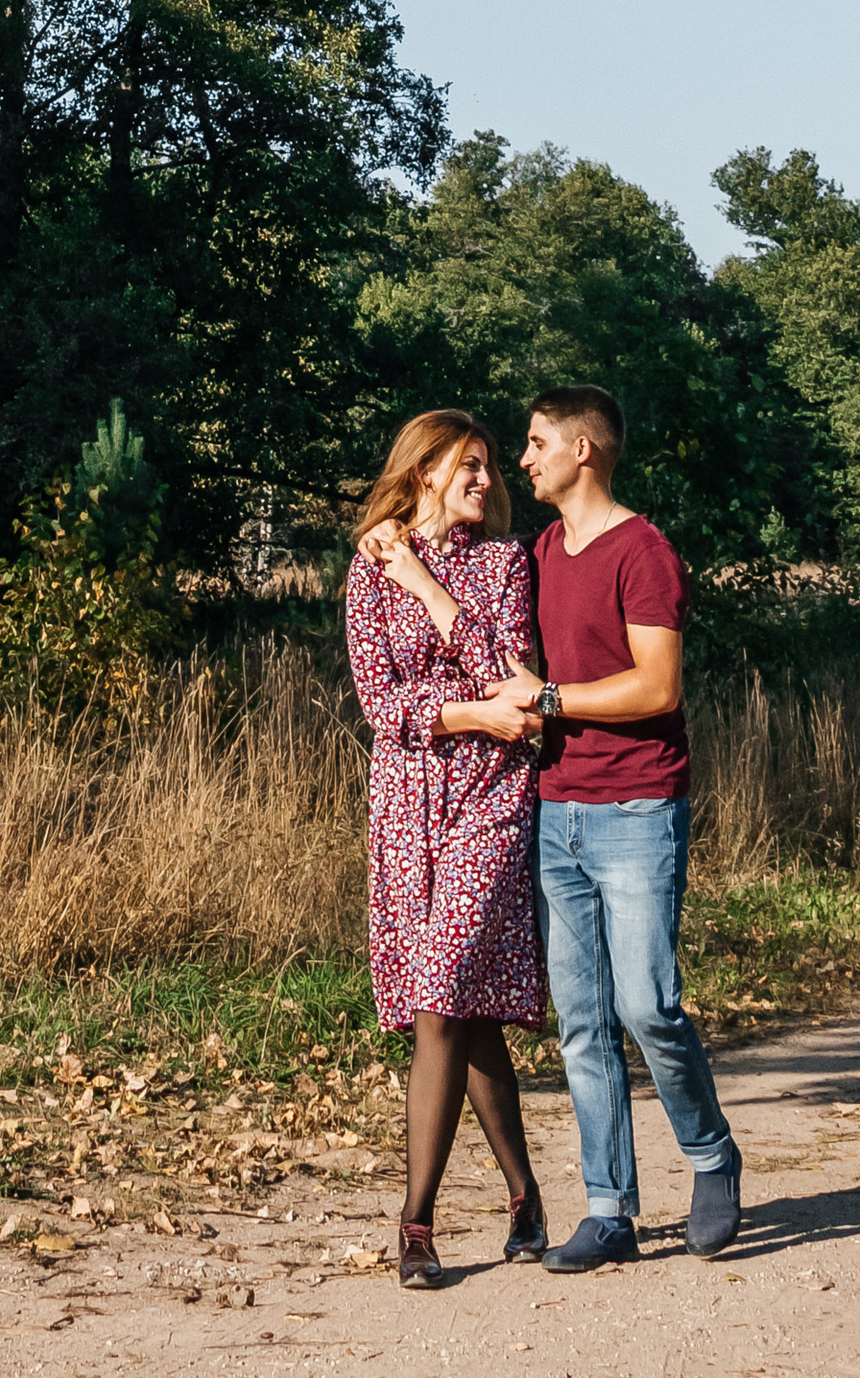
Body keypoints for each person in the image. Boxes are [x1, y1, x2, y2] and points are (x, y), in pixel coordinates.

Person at [469, 385, 739, 1269]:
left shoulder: (643, 552)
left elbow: (657, 687)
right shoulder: (543, 550)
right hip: (557, 812)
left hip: (636, 809)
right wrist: (397, 555)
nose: (524, 459)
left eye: (537, 442)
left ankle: (711, 1157)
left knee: (647, 1007)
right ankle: (609, 1210)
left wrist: (549, 698)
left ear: (583, 449)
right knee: (582, 1021)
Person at [342, 408, 549, 1288]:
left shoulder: (505, 563)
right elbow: (379, 706)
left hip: (490, 798)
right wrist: (469, 713)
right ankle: (525, 1198)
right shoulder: (370, 567)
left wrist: (429, 588)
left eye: (490, 466)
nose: (485, 480)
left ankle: (416, 1226)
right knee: (465, 1012)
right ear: (423, 470)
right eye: (467, 464)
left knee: (439, 995)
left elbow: (516, 678)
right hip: (406, 805)